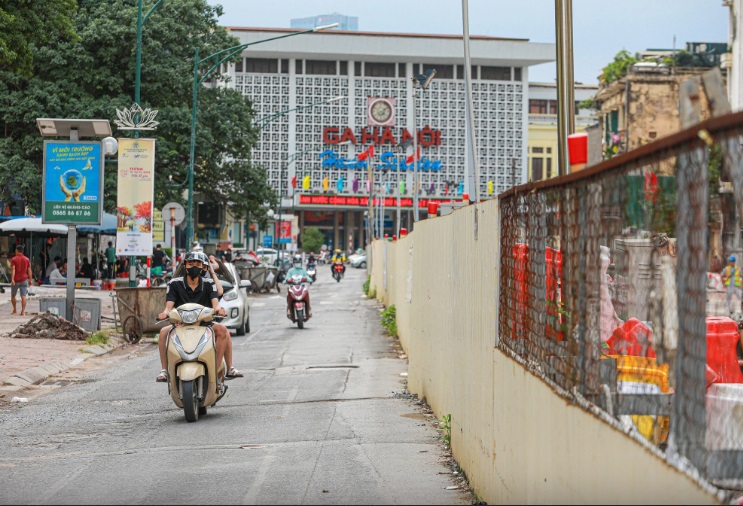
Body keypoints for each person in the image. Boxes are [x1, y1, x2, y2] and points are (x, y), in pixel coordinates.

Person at [156, 251, 243, 384]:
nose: (194, 266)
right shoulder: (174, 283)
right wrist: (165, 313)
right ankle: (164, 370)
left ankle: (221, 367)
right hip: (181, 324)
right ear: (185, 266)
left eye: (197, 264)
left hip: (204, 324)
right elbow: (168, 307)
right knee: (163, 333)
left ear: (203, 267)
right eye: (190, 263)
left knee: (223, 331)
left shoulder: (209, 283)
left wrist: (219, 310)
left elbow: (216, 304)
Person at [284, 254, 313, 320]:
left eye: (298, 262)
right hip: (292, 287)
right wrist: (286, 280)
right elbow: (287, 278)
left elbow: (307, 276)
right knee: (288, 295)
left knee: (307, 294)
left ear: (301, 263)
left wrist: (309, 279)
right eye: (296, 262)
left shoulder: (303, 270)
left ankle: (308, 309)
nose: (297, 264)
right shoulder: (290, 270)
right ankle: (289, 308)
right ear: (293, 263)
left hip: (302, 286)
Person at [10, 244, 33, 316]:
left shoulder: (13, 259)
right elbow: (29, 270)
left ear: (16, 251)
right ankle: (23, 312)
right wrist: (30, 279)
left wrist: (12, 279)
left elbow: (13, 270)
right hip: (24, 279)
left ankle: (14, 310)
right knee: (23, 296)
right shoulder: (27, 259)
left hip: (16, 280)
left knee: (13, 295)